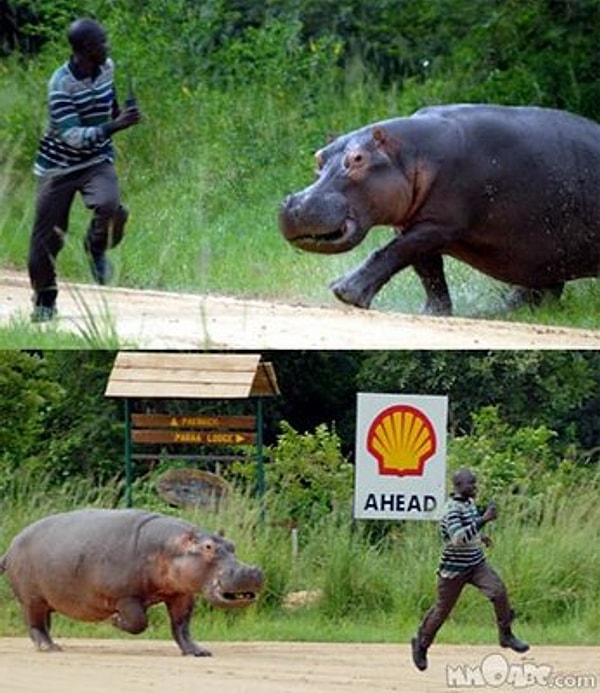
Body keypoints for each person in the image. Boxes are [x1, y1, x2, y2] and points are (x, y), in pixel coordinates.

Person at [28, 17, 142, 322]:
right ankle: (45, 301)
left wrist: (123, 114)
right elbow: (74, 137)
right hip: (58, 166)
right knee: (47, 239)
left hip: (96, 159)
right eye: (101, 42)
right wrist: (114, 125)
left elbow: (108, 104)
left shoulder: (107, 67)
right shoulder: (60, 84)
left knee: (110, 206)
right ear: (86, 49)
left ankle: (96, 249)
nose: (107, 46)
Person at [411, 468, 529, 672]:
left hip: (475, 563)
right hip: (454, 569)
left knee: (498, 591)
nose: (475, 487)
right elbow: (457, 538)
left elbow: (468, 531)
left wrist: (480, 537)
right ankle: (421, 644)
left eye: (475, 483)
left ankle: (505, 634)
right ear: (458, 486)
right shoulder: (452, 510)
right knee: (441, 611)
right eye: (471, 484)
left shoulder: (469, 503)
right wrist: (484, 520)